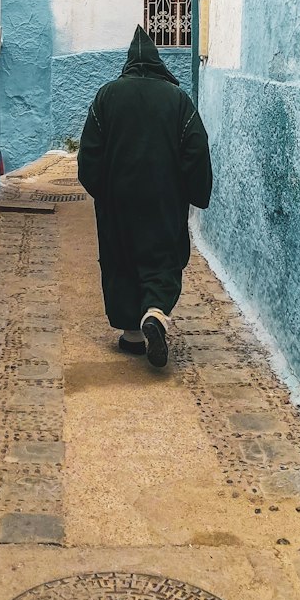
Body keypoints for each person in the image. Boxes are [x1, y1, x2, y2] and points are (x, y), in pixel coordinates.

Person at [77, 26, 213, 368]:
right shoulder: (177, 100)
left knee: (120, 260)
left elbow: (88, 155)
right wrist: (195, 191)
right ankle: (154, 313)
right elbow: (196, 148)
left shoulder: (106, 96)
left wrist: (102, 192)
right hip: (163, 200)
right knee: (161, 260)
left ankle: (132, 337)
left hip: (118, 201)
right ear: (157, 63)